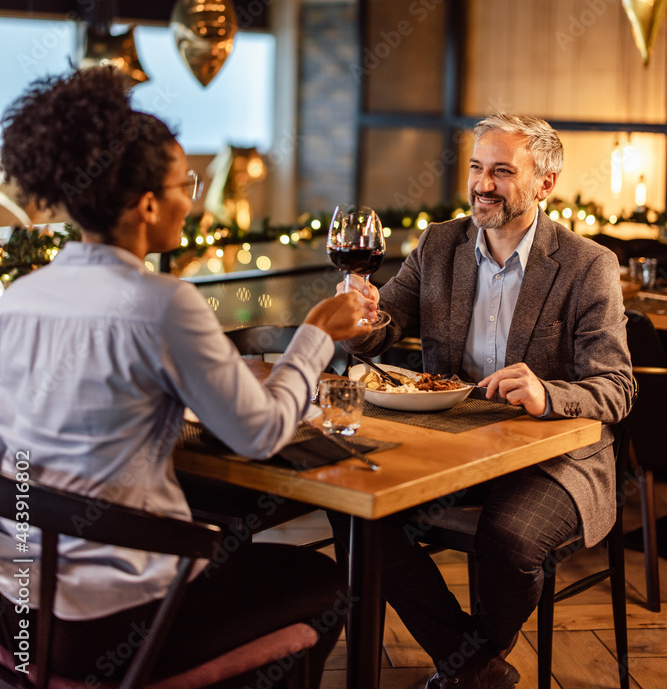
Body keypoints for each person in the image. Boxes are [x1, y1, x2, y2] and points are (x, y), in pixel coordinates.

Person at [0, 66, 371, 687]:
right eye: (183, 184)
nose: (192, 197)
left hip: (16, 610)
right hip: (107, 628)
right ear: (148, 204)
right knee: (329, 581)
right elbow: (259, 435)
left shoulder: (18, 298)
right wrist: (316, 335)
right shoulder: (161, 302)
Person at [336, 114, 634, 689]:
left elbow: (616, 388)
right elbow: (382, 330)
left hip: (556, 457)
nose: (482, 184)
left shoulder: (587, 265)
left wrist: (548, 393)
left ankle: (468, 663)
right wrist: (361, 315)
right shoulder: (439, 244)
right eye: (476, 167)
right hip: (454, 443)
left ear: (545, 182)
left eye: (501, 171)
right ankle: (473, 664)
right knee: (358, 513)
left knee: (509, 539)